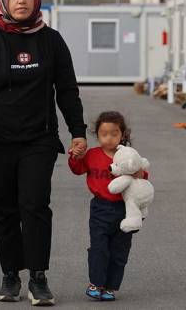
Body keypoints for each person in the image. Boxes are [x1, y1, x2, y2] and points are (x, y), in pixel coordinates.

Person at [0, 0, 88, 306]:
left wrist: (78, 132)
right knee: (3, 210)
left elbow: (67, 91)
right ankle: (10, 275)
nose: (21, 0)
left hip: (38, 140)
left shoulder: (51, 41)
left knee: (34, 207)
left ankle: (38, 278)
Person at [68, 111, 148, 302]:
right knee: (99, 248)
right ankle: (96, 283)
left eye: (114, 133)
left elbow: (143, 177)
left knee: (119, 251)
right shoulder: (93, 155)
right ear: (97, 134)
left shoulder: (128, 155)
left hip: (124, 209)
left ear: (123, 135)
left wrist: (139, 173)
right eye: (104, 134)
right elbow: (77, 169)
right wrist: (75, 156)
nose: (109, 138)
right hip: (100, 208)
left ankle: (111, 286)